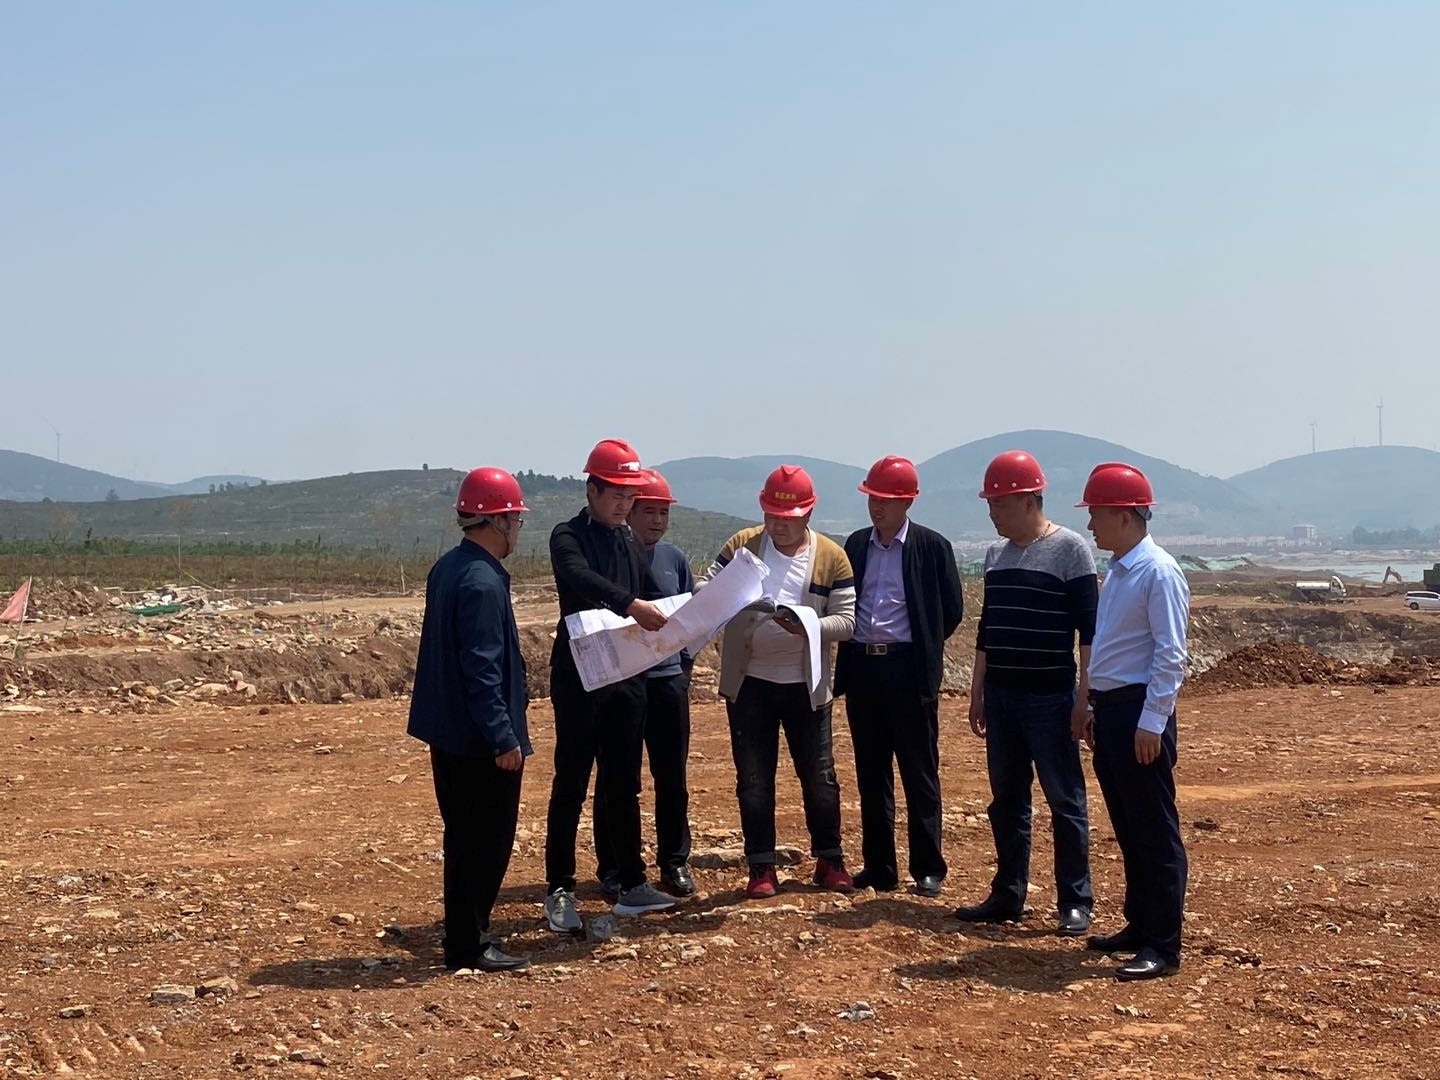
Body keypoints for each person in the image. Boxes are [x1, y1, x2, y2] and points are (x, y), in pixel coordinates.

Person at [956, 451, 1097, 936]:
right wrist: (977, 691)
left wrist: (1084, 697)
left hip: (1050, 698)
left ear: (1029, 500)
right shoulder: (995, 556)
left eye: (999, 503)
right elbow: (987, 629)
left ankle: (1075, 900)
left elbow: (1089, 632)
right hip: (1002, 696)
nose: (992, 512)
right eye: (990, 503)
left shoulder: (1070, 550)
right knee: (1007, 800)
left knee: (1065, 800)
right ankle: (1008, 893)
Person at [543, 439, 678, 933]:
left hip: (626, 675)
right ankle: (559, 888)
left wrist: (695, 608)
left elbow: (652, 593)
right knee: (572, 780)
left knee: (623, 780)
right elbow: (581, 579)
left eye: (630, 494)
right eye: (617, 493)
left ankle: (631, 882)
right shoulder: (567, 536)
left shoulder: (627, 541)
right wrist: (631, 606)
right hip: (580, 676)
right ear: (592, 490)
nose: (625, 503)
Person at [705, 464, 857, 899]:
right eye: (772, 516)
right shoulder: (742, 546)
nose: (778, 525)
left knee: (820, 777)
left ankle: (830, 859)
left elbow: (847, 621)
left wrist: (809, 628)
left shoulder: (831, 557)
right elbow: (707, 589)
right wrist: (723, 600)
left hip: (806, 686)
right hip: (750, 683)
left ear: (808, 514)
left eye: (788, 519)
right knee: (754, 779)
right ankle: (761, 866)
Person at [407, 467, 532, 972]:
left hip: (451, 733)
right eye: (516, 520)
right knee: (486, 840)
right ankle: (469, 943)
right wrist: (503, 737)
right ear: (498, 521)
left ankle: (464, 935)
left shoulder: (450, 567)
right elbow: (483, 667)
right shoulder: (482, 581)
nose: (518, 530)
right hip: (479, 738)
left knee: (462, 836)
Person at [1077, 462, 1190, 981]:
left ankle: (1163, 946)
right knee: (1129, 826)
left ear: (1124, 515)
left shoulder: (1158, 572)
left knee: (1154, 830)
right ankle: (1141, 924)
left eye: (1096, 513)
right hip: (1115, 710)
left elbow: (1170, 653)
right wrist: (1094, 707)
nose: (1090, 524)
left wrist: (1152, 721)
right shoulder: (1121, 571)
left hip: (1140, 711)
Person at [833, 455, 963, 898]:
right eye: (872, 497)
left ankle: (928, 868)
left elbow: (951, 611)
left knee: (919, 771)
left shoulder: (932, 547)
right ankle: (879, 867)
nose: (877, 506)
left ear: (908, 501)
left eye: (886, 499)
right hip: (863, 668)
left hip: (909, 670)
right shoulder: (856, 545)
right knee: (871, 772)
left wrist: (921, 645)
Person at [595, 469, 697, 899]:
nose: (657, 521)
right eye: (648, 511)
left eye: (663, 513)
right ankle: (615, 867)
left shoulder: (675, 559)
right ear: (630, 512)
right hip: (622, 685)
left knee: (671, 776)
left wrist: (684, 666)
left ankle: (674, 862)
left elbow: (693, 617)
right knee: (618, 779)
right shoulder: (611, 558)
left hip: (668, 682)